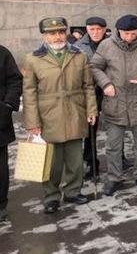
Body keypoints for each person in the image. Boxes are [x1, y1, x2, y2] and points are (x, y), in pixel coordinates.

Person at [23, 17, 97, 213]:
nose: (57, 37)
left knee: (75, 159)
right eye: (52, 33)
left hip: (75, 112)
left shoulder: (79, 55)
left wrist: (91, 109)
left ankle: (73, 191)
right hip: (49, 116)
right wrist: (32, 122)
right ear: (44, 36)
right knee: (52, 162)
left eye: (61, 32)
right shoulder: (33, 59)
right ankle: (52, 196)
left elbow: (88, 86)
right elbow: (29, 92)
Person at [89, 14, 137, 195]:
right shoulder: (106, 45)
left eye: (133, 33)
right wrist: (105, 84)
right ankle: (114, 177)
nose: (130, 37)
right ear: (118, 31)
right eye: (126, 34)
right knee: (113, 146)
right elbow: (94, 67)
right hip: (115, 103)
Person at [75, 16, 110, 179]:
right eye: (92, 29)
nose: (95, 32)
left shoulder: (112, 44)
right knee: (91, 129)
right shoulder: (77, 47)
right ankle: (90, 161)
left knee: (116, 126)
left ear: (104, 29)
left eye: (99, 29)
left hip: (110, 90)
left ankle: (120, 157)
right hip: (89, 92)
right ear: (87, 30)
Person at [0, 44, 22, 221]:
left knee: (0, 167)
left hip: (0, 119)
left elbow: (15, 80)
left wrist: (7, 106)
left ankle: (0, 205)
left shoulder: (2, 53)